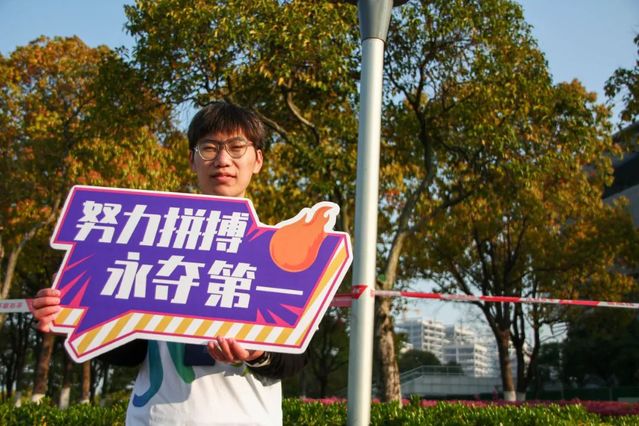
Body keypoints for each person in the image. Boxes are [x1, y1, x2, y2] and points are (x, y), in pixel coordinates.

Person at [32, 102, 307, 425]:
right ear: (192, 159)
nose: (223, 160)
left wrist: (257, 354)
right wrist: (71, 311)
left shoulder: (281, 253)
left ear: (257, 160)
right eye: (209, 148)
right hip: (155, 418)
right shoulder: (144, 244)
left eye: (236, 148)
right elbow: (129, 352)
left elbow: (296, 357)